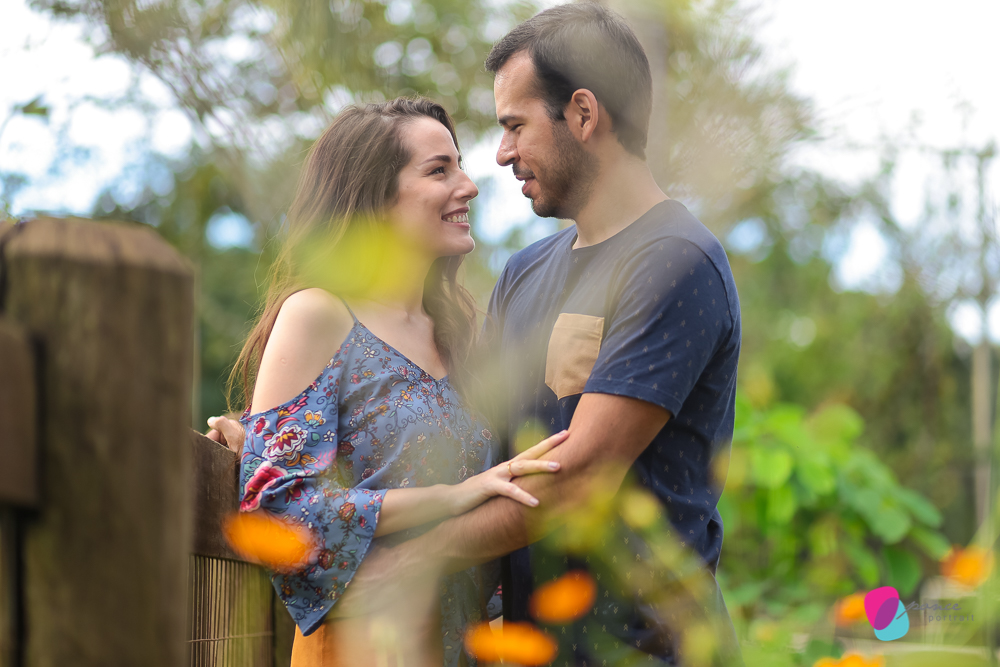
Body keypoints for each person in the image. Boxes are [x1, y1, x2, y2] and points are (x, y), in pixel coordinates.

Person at [324, 4, 745, 666]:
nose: (502, 153)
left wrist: (414, 558)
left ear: (583, 114)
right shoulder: (525, 274)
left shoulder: (675, 263)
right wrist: (297, 419)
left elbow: (577, 479)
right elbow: (459, 435)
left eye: (515, 125)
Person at [212, 97, 569, 667]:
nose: (470, 186)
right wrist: (447, 499)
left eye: (460, 164)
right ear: (373, 198)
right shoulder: (319, 315)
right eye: (438, 170)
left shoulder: (458, 336)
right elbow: (275, 508)